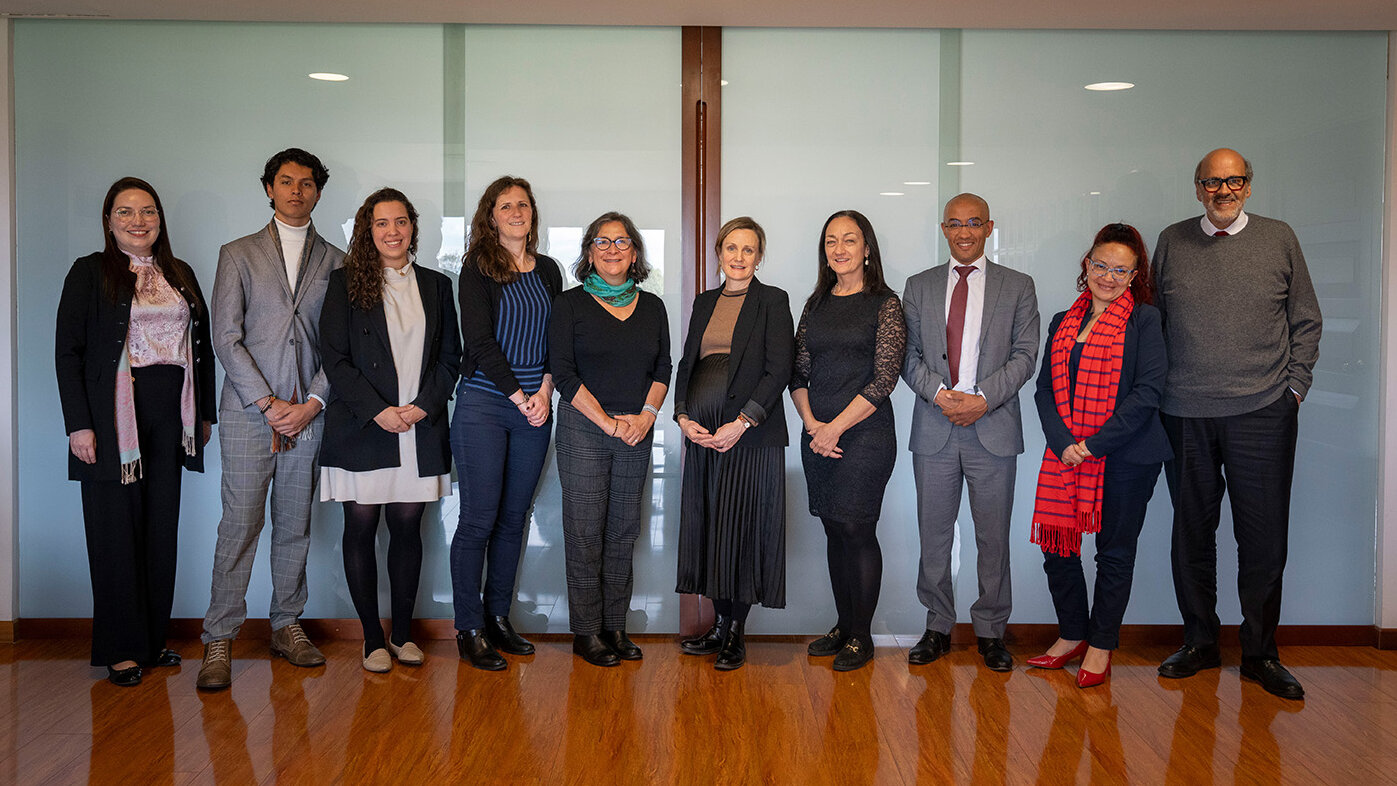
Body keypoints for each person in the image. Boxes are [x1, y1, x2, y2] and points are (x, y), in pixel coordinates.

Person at [1153, 148, 1321, 700]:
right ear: (1197, 188)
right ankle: (1200, 642)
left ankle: (1260, 653)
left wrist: (1292, 389)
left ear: (1248, 186)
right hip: (1185, 412)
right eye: (1212, 182)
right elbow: (1155, 322)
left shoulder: (1279, 237)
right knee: (1191, 535)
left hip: (1262, 412)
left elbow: (1306, 319)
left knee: (1263, 537)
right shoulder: (1173, 241)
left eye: (1234, 181)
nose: (1223, 191)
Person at [55, 177, 217, 687]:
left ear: (159, 218)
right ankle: (119, 648)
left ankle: (150, 640)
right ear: (109, 220)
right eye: (125, 212)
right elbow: (69, 353)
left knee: (159, 528)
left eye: (147, 211)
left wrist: (204, 415)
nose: (138, 220)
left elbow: (202, 347)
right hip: (112, 420)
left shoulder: (179, 272)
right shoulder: (89, 273)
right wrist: (79, 425)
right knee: (114, 532)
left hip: (172, 413)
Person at [197, 148, 345, 690]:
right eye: (286, 182)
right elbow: (225, 337)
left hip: (308, 413)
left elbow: (340, 344)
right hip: (247, 413)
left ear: (318, 193)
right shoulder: (237, 253)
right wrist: (266, 403)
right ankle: (220, 636)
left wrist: (311, 402)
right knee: (239, 524)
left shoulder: (338, 260)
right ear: (268, 188)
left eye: (307, 184)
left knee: (294, 525)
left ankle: (287, 623)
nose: (296, 191)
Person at [319, 188, 461, 673]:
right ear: (368, 230)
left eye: (401, 222)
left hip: (418, 428)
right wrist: (378, 411)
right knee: (360, 528)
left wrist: (421, 408)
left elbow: (450, 358)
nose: (393, 231)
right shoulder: (344, 285)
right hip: (364, 425)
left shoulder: (438, 286)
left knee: (407, 529)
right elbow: (334, 358)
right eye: (382, 223)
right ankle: (371, 640)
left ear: (412, 228)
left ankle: (402, 635)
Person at [1027, 222, 1171, 688]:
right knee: (1057, 545)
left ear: (1134, 276)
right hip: (1066, 455)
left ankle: (1102, 645)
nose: (1108, 276)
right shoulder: (1062, 320)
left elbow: (1147, 393)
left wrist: (1092, 445)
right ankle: (1072, 634)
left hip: (1127, 456)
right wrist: (1063, 442)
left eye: (1121, 270)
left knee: (1113, 553)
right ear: (1087, 265)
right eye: (1101, 265)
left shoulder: (1144, 321)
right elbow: (1045, 387)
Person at [901, 193, 1039, 672]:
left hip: (993, 427)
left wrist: (982, 399)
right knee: (934, 536)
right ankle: (937, 626)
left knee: (993, 537)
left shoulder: (1018, 286)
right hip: (935, 426)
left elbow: (1026, 355)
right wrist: (941, 396)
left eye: (974, 223)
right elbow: (907, 357)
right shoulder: (917, 287)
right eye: (955, 224)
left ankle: (991, 632)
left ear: (989, 227)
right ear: (944, 229)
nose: (964, 232)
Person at [548, 212, 671, 667]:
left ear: (634, 253)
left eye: (622, 242)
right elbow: (562, 372)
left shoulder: (653, 307)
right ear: (589, 253)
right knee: (585, 533)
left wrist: (646, 416)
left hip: (638, 430)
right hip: (585, 428)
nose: (613, 249)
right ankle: (586, 632)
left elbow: (664, 369)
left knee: (623, 531)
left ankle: (615, 627)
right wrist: (607, 422)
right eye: (603, 241)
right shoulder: (569, 305)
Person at [450, 176, 563, 671]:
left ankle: (498, 619)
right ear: (490, 216)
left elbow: (562, 339)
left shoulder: (551, 271)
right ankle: (469, 627)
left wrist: (545, 391)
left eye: (522, 204)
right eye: (505, 205)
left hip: (536, 406)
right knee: (478, 520)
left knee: (514, 520)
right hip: (485, 404)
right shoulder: (476, 268)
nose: (516, 211)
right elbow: (477, 341)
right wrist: (519, 395)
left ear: (532, 213)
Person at [674, 217, 794, 671]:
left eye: (748, 250)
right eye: (731, 248)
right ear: (719, 254)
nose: (739, 257)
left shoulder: (773, 300)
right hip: (703, 432)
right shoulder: (705, 302)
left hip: (751, 434)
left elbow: (778, 369)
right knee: (710, 527)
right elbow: (688, 361)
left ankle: (737, 633)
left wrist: (742, 421)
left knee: (740, 529)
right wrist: (683, 415)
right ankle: (719, 626)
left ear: (759, 257)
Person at [791, 209, 906, 672]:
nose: (839, 249)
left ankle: (862, 636)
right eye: (831, 241)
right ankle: (843, 624)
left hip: (865, 435)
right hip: (816, 432)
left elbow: (885, 379)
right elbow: (797, 372)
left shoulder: (885, 303)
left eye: (849, 240)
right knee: (833, 529)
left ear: (867, 248)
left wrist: (835, 427)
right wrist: (812, 424)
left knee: (857, 530)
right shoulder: (815, 303)